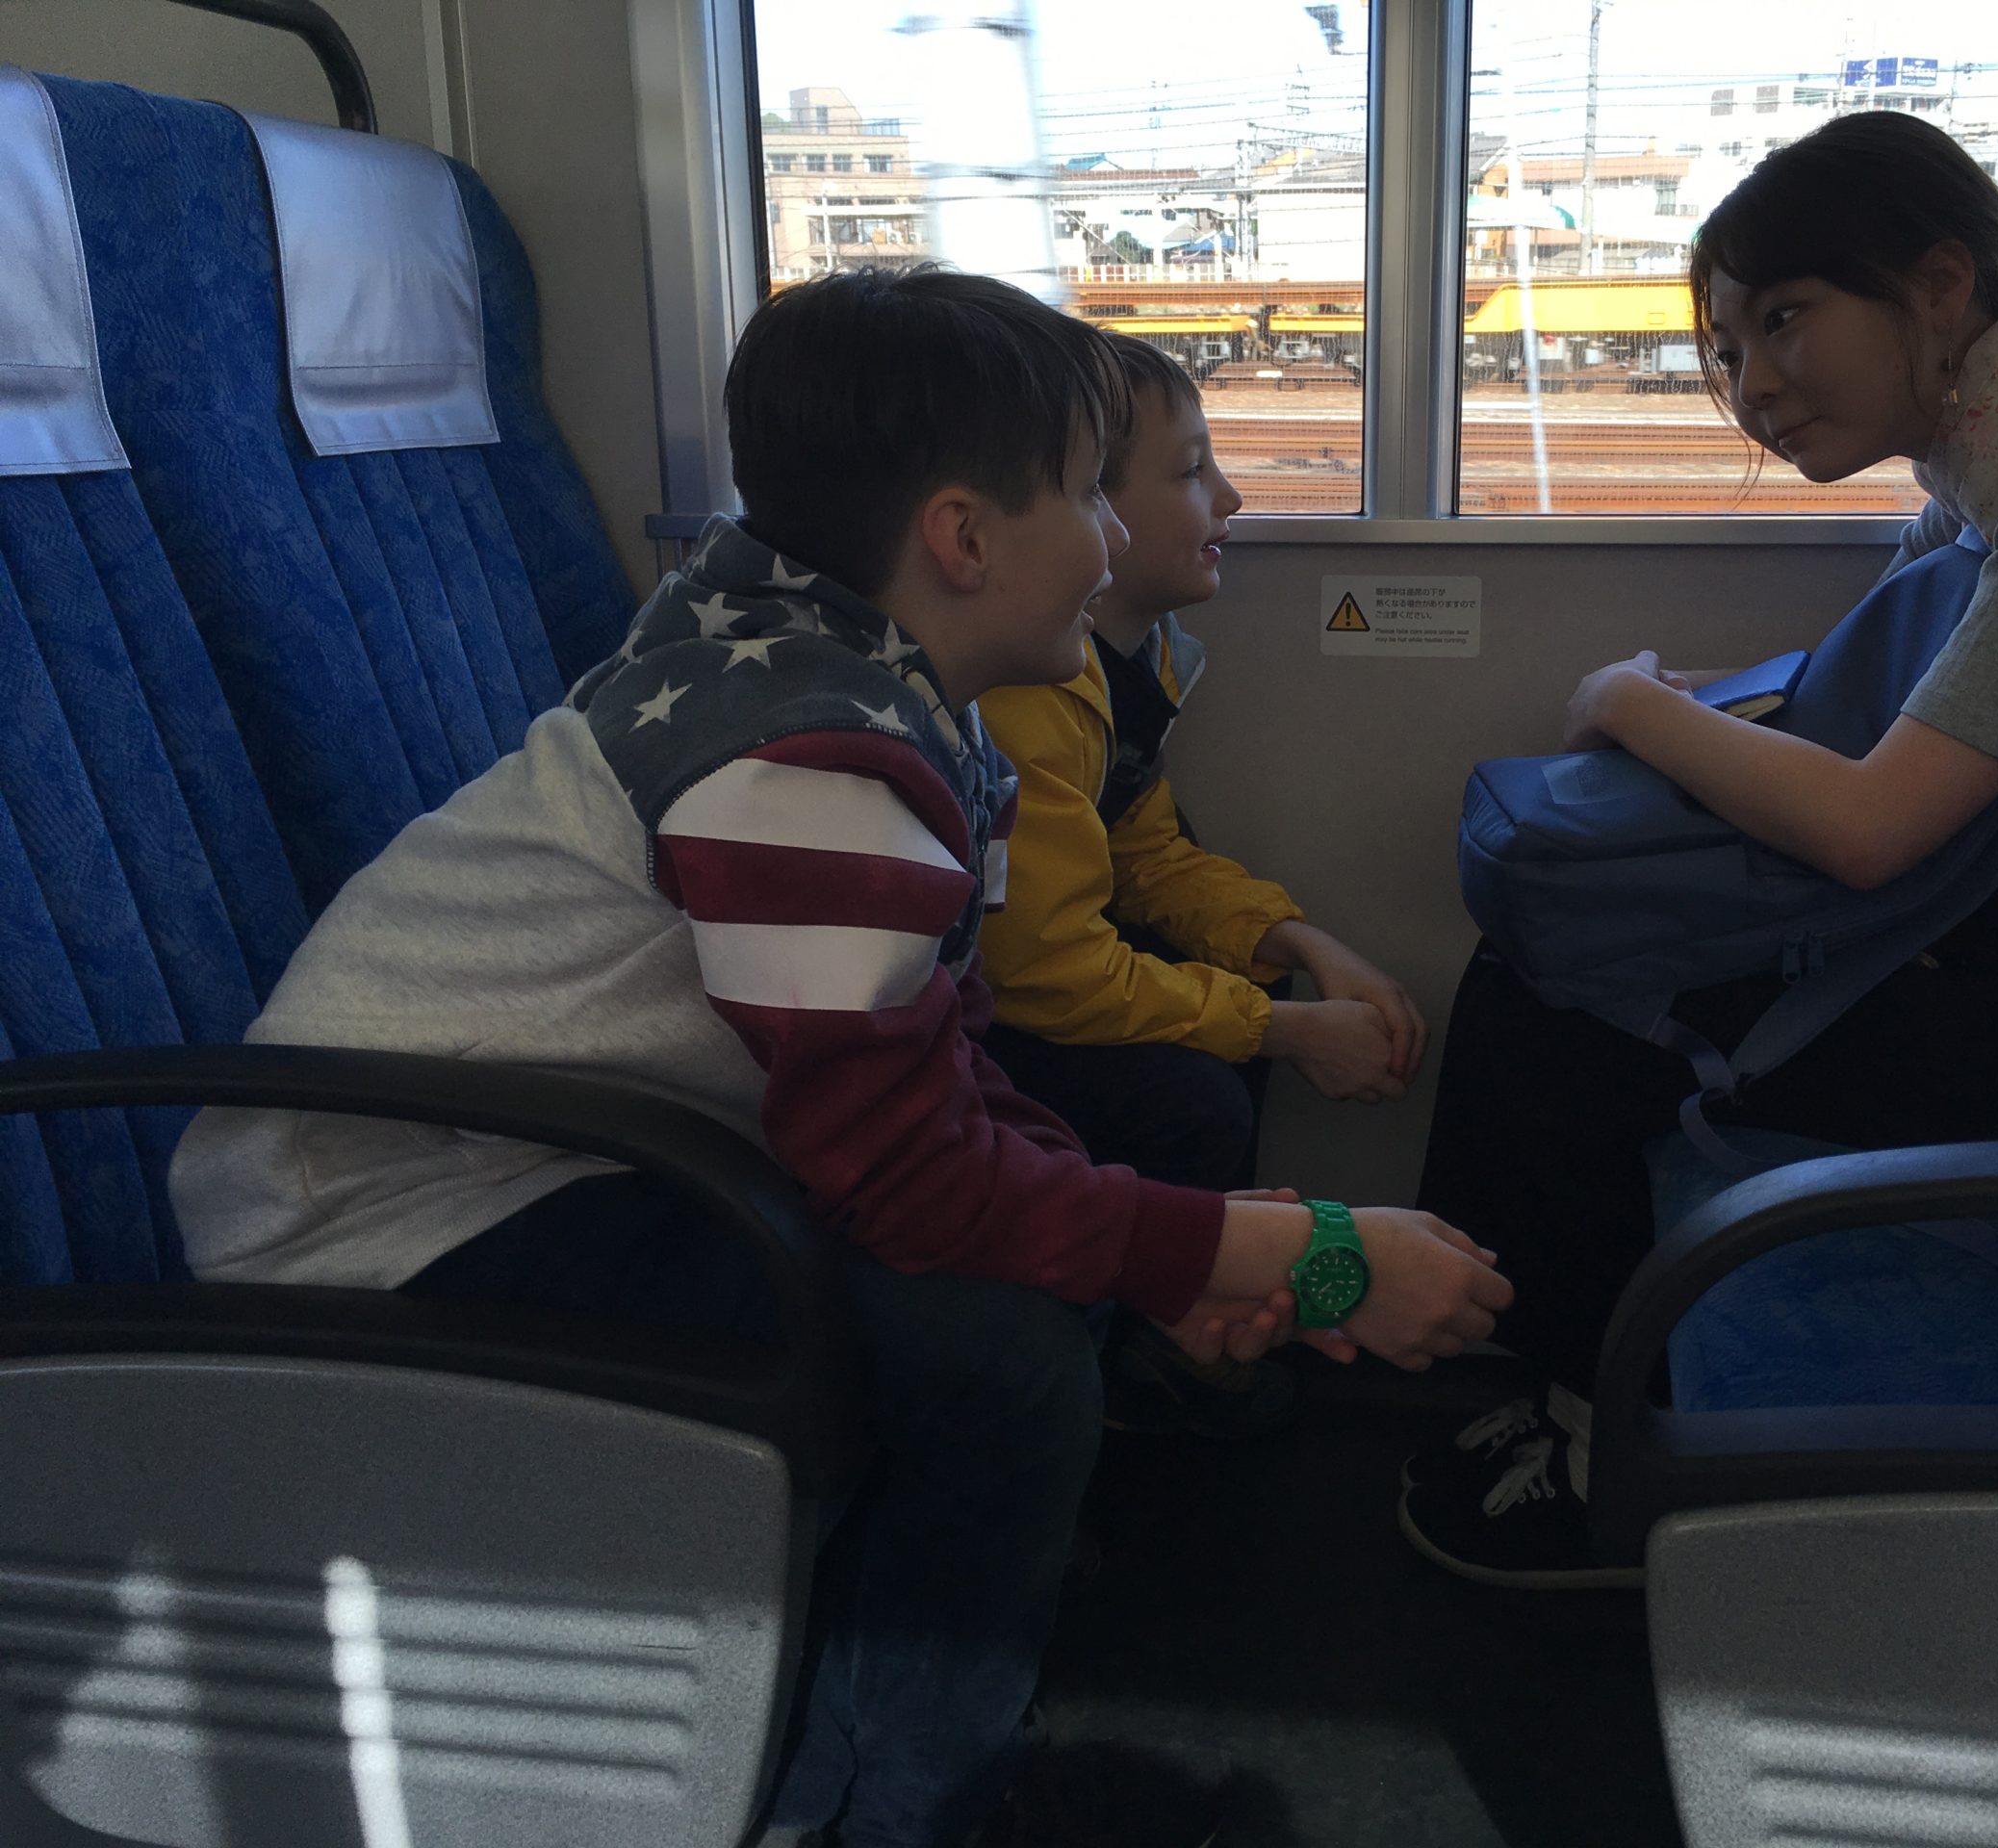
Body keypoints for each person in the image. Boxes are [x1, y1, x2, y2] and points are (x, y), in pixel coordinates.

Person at [167, 267, 1513, 1847]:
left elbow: (948, 1064)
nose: (1108, 539)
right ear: (962, 539)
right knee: (1000, 1360)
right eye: (1090, 493)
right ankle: (887, 1803)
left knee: (1033, 1293)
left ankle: (871, 1742)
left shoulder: (864, 681)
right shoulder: (817, 766)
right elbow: (913, 1184)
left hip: (573, 1153)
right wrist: (1298, 1251)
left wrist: (1177, 1254)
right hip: (392, 1211)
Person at [1403, 112, 1998, 1586]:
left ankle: (1607, 1458)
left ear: (1939, 286)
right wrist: (1689, 722)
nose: (1754, 386)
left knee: (1564, 1006)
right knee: (1562, 948)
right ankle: (1558, 1376)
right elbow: (1873, 721)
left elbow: (1868, 825)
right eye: (1731, 349)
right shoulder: (1995, 462)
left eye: (1786, 320)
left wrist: (1628, 704)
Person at [976, 332, 1428, 1437]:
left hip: (1036, 967)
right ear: (1088, 508)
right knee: (1194, 1097)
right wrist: (1285, 1034)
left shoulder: (1147, 657)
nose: (1228, 497)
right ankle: (1126, 1356)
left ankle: (1191, 1314)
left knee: (1236, 993)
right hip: (996, 1000)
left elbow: (1143, 854)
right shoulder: (1022, 696)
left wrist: (1299, 944)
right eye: (1189, 471)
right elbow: (1042, 970)